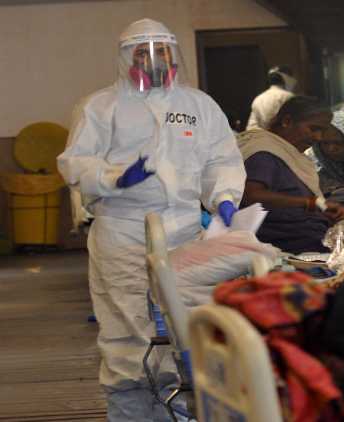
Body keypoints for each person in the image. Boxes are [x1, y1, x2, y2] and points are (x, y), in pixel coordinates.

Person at [57, 18, 246, 421]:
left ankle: (187, 409)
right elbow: (75, 161)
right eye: (144, 52)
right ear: (128, 57)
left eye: (162, 51)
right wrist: (114, 177)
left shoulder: (198, 106)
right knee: (127, 324)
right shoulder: (100, 106)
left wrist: (225, 197)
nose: (155, 61)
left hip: (184, 229)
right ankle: (132, 413)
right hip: (123, 228)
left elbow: (221, 159)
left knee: (191, 321)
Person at [238, 96, 344, 253]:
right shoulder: (264, 153)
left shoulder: (290, 154)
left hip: (313, 243)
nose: (318, 137)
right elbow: (251, 196)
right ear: (287, 121)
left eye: (322, 131)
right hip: (285, 248)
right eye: (313, 128)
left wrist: (323, 212)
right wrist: (311, 203)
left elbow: (292, 202)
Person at [245, 65, 296, 130]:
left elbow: (251, 127)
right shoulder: (288, 96)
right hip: (281, 138)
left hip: (262, 137)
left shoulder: (259, 98)